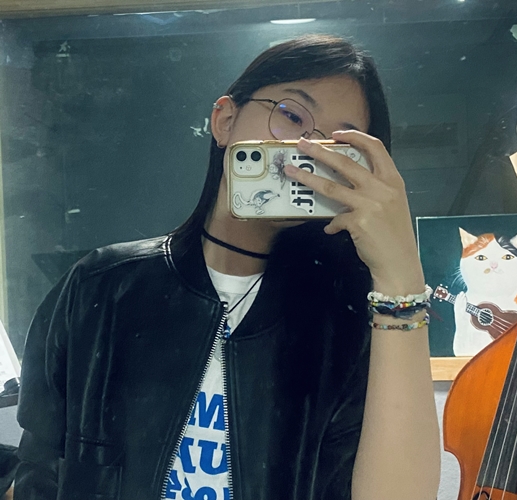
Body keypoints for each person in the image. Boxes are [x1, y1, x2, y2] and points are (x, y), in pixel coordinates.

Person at [13, 34, 440, 500]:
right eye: (292, 115)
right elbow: (39, 471)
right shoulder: (103, 286)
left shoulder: (346, 321)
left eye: (337, 145)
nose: (306, 150)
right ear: (225, 120)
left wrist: (400, 275)